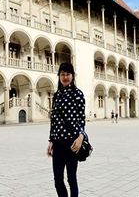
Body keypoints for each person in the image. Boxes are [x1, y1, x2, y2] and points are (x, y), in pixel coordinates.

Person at [46, 62, 86, 197]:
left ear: (73, 76)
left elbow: (81, 118)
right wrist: (51, 140)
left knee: (71, 179)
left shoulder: (78, 94)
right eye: (62, 74)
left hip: (72, 142)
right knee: (57, 179)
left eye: (68, 74)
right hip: (57, 143)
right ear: (59, 76)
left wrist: (81, 136)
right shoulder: (56, 95)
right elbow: (54, 120)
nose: (65, 77)